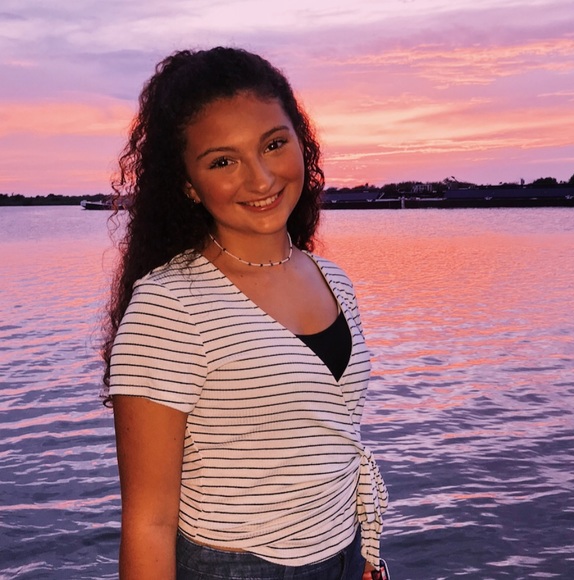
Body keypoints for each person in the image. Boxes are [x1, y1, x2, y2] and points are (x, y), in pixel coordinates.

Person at [103, 46, 389, 580]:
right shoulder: (170, 305)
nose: (260, 180)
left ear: (301, 142)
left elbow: (332, 436)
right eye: (223, 161)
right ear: (188, 184)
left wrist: (362, 555)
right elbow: (149, 522)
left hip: (345, 553)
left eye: (273, 144)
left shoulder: (333, 280)